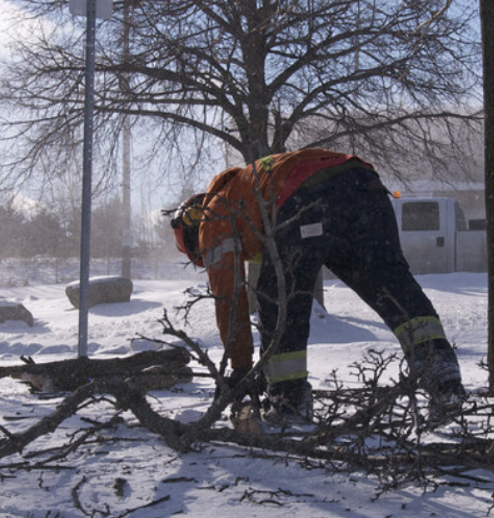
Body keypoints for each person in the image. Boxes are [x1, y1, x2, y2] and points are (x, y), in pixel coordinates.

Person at [169, 148, 466, 425]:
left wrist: (242, 368)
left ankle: (289, 400)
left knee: (279, 300)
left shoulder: (213, 215)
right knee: (390, 284)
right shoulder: (247, 187)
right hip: (363, 183)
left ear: (195, 236)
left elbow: (230, 297)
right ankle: (441, 376)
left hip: (309, 197)